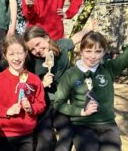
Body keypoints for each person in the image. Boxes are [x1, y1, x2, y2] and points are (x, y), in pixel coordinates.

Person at [54, 12, 128, 151]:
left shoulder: (108, 69)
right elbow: (58, 103)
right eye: (88, 51)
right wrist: (80, 111)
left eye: (98, 51)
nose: (93, 56)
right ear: (81, 51)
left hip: (107, 126)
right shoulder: (71, 74)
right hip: (83, 126)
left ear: (104, 52)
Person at [23, 22, 95, 151]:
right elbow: (28, 86)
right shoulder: (32, 62)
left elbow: (75, 39)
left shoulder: (61, 45)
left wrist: (86, 29)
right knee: (44, 137)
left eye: (38, 44)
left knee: (67, 134)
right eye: (32, 49)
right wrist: (42, 83)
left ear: (46, 38)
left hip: (61, 102)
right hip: (43, 103)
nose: (37, 50)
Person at [0, 35, 46, 151]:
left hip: (27, 133)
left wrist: (31, 108)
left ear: (26, 53)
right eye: (11, 54)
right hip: (5, 134)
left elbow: (41, 104)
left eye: (20, 53)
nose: (16, 58)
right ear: (5, 55)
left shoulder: (34, 79)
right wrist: (7, 110)